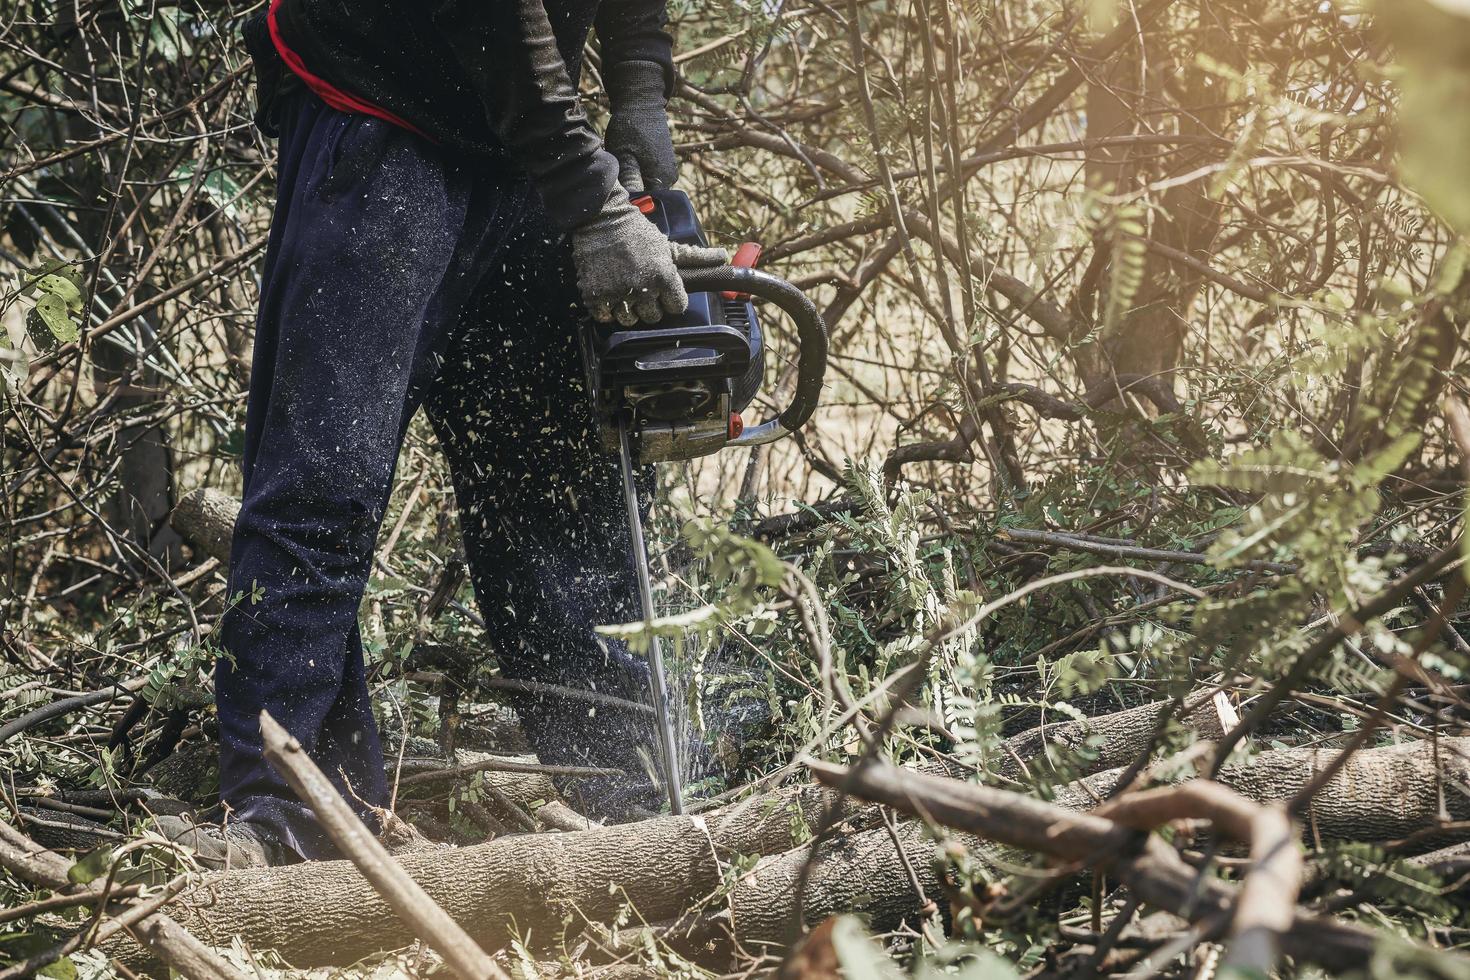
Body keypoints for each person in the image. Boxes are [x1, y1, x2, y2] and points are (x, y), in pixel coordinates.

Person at [163, 0, 725, 867]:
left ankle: (629, 801)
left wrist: (639, 85)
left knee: (560, 494)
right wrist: (593, 203)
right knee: (326, 482)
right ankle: (286, 822)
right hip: (380, 105)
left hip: (528, 138)